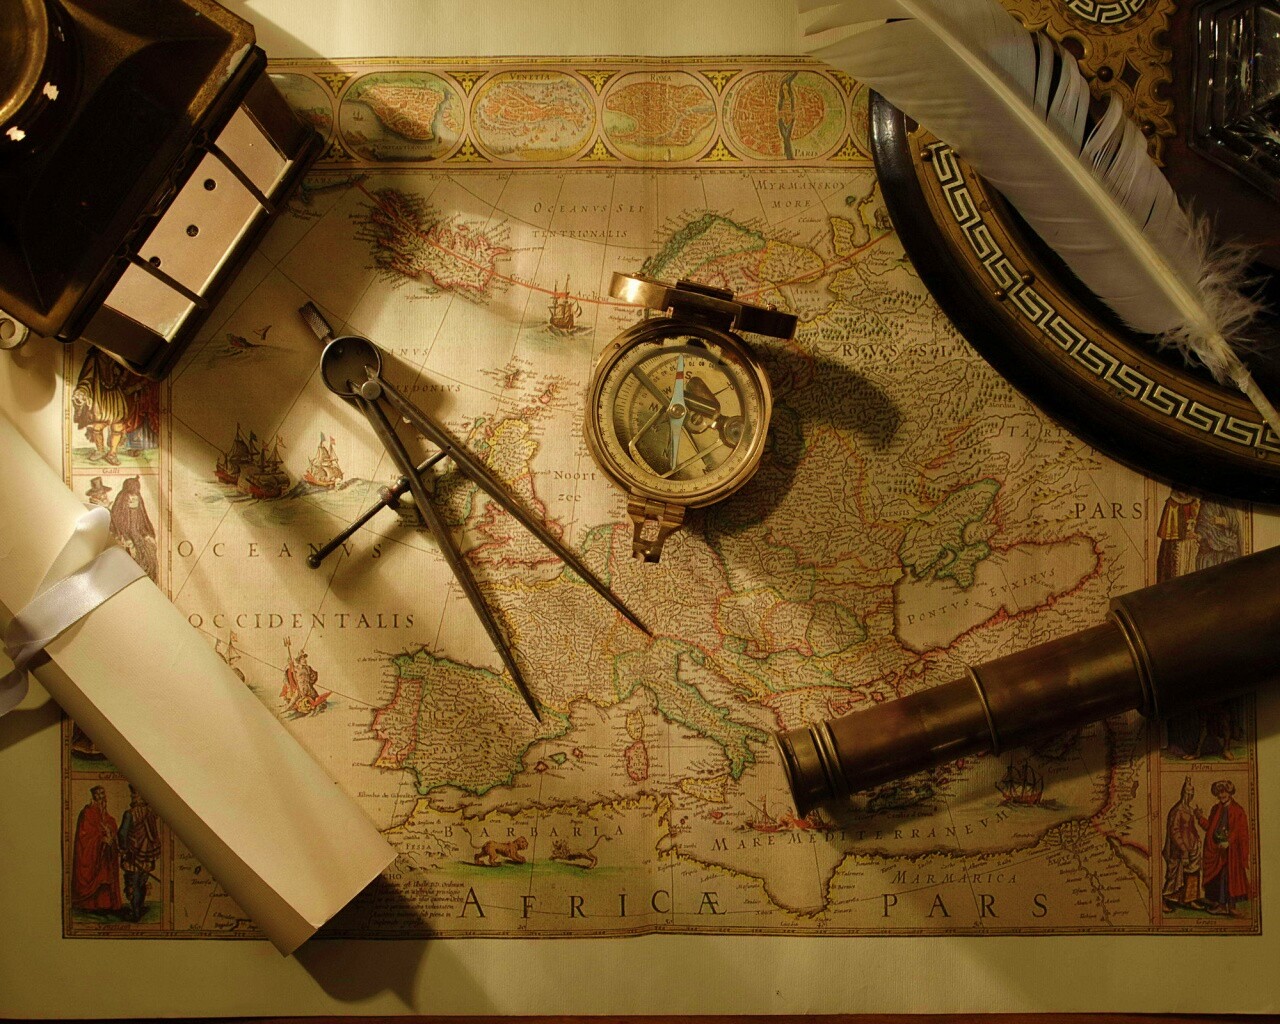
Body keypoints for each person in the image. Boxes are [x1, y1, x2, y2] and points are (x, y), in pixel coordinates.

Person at [1197, 779, 1250, 915]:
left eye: (1224, 792)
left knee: (1229, 878)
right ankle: (1220, 905)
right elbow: (1210, 828)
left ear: (1230, 792)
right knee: (1219, 878)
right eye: (1219, 793)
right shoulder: (1216, 809)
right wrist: (1200, 818)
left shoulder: (1238, 810)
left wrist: (1229, 842)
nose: (1221, 795)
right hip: (1217, 850)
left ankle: (1231, 907)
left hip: (1231, 852)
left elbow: (1240, 831)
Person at [71, 786, 121, 913]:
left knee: (105, 876)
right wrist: (101, 839)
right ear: (93, 796)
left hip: (104, 855)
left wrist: (111, 833)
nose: (101, 797)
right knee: (98, 875)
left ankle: (105, 905)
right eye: (98, 794)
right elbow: (84, 835)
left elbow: (109, 824)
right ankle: (90, 905)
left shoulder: (105, 815)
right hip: (93, 854)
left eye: (103, 793)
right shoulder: (87, 812)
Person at [117, 786, 162, 922]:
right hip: (147, 855)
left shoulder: (129, 814)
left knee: (134, 884)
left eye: (134, 795)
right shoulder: (151, 812)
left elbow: (122, 834)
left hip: (133, 855)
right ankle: (139, 908)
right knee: (142, 882)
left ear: (140, 797)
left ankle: (135, 914)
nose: (132, 797)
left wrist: (124, 849)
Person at [1161, 776, 1202, 910]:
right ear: (1183, 793)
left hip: (1192, 848)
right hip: (1178, 850)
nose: (1190, 796)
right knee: (1175, 876)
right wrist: (1183, 848)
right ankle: (1164, 900)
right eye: (1188, 794)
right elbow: (1174, 831)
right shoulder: (1177, 810)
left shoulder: (1189, 809)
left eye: (1192, 794)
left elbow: (1191, 828)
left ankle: (1190, 899)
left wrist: (1197, 839)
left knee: (1192, 874)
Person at [110, 476, 158, 581]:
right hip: (126, 540)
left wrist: (147, 536)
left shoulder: (139, 511)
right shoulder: (119, 514)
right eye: (130, 498)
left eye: (136, 498)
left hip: (138, 538)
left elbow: (143, 526)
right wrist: (127, 540)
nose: (133, 500)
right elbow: (118, 530)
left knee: (150, 553)